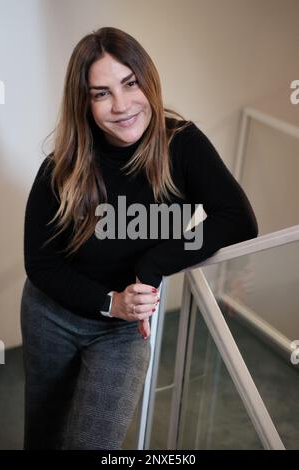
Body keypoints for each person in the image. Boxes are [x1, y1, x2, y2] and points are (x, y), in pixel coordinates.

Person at [20, 26, 258, 450]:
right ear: (85, 104)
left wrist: (152, 267)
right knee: (44, 431)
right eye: (101, 93)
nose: (122, 105)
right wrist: (110, 301)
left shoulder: (181, 144)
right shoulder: (61, 168)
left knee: (93, 443)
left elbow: (237, 218)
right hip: (51, 316)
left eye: (130, 83)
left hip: (127, 328)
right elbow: (40, 266)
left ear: (147, 81)